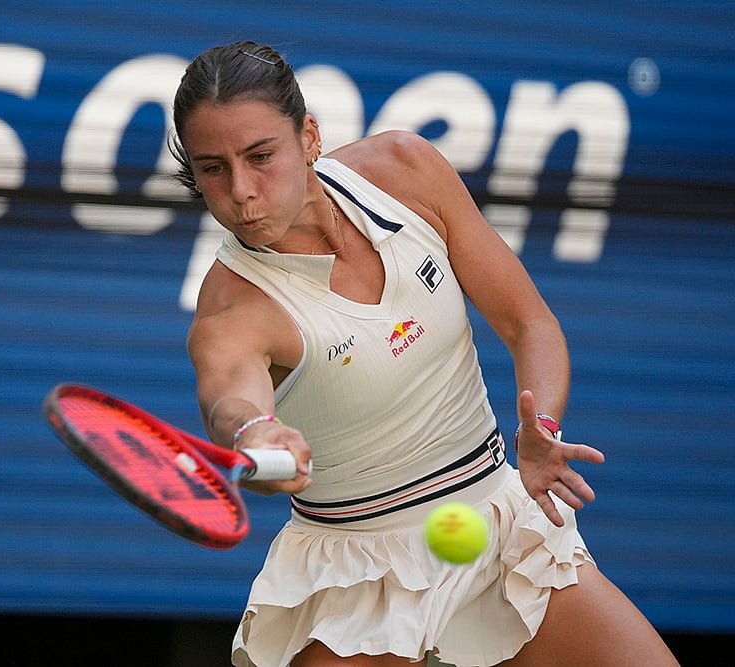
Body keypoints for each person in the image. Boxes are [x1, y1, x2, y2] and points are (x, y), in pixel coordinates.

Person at [170, 41, 678, 667]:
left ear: (308, 137)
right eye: (213, 168)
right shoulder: (230, 310)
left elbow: (529, 323)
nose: (241, 192)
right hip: (355, 579)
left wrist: (540, 427)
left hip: (498, 525)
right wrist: (259, 434)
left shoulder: (405, 170)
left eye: (260, 156)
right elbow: (231, 403)